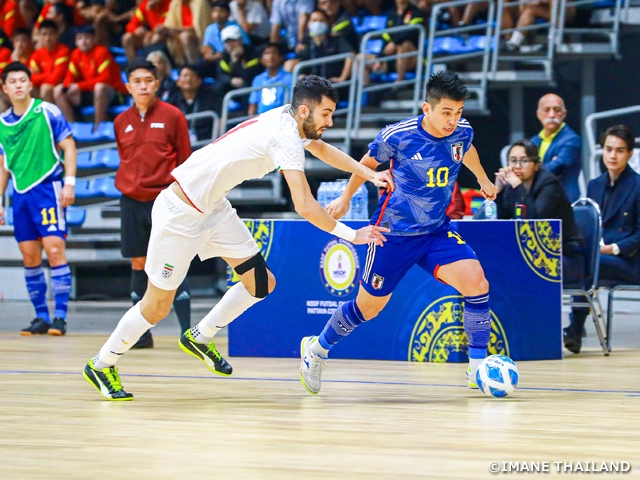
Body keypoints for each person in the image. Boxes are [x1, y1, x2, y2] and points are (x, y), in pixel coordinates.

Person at [83, 75, 394, 401]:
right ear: (304, 111)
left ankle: (199, 336)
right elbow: (304, 205)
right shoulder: (284, 136)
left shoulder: (290, 120)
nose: (330, 121)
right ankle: (102, 363)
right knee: (157, 307)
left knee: (262, 283)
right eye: (326, 113)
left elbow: (321, 148)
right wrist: (351, 235)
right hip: (180, 214)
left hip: (214, 210)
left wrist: (369, 173)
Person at [299, 71, 498, 394]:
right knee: (368, 308)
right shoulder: (398, 136)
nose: (453, 120)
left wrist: (483, 179)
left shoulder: (461, 131)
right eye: (446, 112)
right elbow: (367, 163)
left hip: (435, 231)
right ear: (426, 108)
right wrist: (346, 198)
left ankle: (477, 369)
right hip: (392, 235)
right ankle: (317, 349)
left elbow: (467, 149)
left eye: (458, 112)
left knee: (477, 283)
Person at [114, 59, 193, 350]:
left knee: (172, 263)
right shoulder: (120, 121)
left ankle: (189, 333)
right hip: (132, 201)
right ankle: (141, 335)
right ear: (128, 86)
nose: (143, 85)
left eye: (148, 80)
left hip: (165, 200)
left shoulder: (173, 116)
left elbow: (185, 161)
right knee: (139, 262)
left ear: (157, 84)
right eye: (137, 81)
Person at [0, 61, 77, 336]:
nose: (19, 84)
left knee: (55, 250)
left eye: (23, 80)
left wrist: (69, 183)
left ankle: (60, 317)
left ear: (30, 84)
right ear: (5, 87)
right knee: (29, 256)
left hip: (48, 188)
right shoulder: (2, 124)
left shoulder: (47, 111)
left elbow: (68, 146)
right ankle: (40, 316)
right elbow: (3, 166)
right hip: (20, 195)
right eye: (13, 81)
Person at [564, 125, 640, 353]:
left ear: (630, 154)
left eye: (619, 150)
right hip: (599, 257)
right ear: (602, 151)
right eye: (608, 149)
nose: (613, 155)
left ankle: (575, 327)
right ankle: (574, 328)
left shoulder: (638, 186)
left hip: (629, 261)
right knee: (581, 261)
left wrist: (613, 248)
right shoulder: (595, 185)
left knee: (587, 265)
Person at [495, 138, 585, 282]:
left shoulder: (550, 184)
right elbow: (501, 222)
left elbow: (534, 221)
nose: (517, 166)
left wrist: (518, 186)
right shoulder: (511, 187)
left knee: (514, 269)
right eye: (512, 161)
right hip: (530, 255)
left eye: (524, 161)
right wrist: (498, 192)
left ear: (536, 165)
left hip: (563, 257)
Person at [53, 26, 127, 130]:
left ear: (94, 39)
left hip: (113, 93)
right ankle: (71, 128)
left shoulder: (102, 52)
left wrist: (79, 86)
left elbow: (105, 79)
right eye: (79, 39)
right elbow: (69, 78)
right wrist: (68, 88)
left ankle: (99, 126)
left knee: (99, 87)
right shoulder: (76, 54)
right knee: (58, 90)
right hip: (89, 92)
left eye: (87, 38)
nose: (83, 42)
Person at [530, 94, 582, 203]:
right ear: (538, 114)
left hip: (563, 201)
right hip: (537, 199)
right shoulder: (533, 141)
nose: (552, 114)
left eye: (557, 110)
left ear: (564, 113)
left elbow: (556, 168)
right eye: (546, 110)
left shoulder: (572, 140)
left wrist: (532, 169)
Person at [168, 64, 219, 141]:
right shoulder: (171, 102)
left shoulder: (211, 97)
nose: (188, 79)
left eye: (192, 75)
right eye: (185, 76)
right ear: (178, 81)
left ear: (199, 80)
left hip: (207, 142)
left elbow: (220, 120)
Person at [213, 25, 263, 97]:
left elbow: (249, 76)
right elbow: (220, 76)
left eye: (233, 41)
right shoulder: (224, 57)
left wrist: (237, 62)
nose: (230, 45)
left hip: (250, 87)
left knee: (244, 86)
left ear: (241, 40)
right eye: (227, 42)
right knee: (218, 88)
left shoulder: (253, 53)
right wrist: (231, 80)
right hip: (232, 87)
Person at [28, 20, 71, 104]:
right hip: (46, 86)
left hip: (62, 88)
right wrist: (47, 75)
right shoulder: (37, 53)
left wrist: (38, 77)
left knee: (45, 88)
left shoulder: (64, 51)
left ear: (57, 34)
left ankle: (48, 116)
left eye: (51, 34)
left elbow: (55, 79)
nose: (47, 38)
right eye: (44, 34)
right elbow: (28, 76)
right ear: (39, 36)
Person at [248, 42, 291, 116]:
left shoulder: (290, 77)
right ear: (261, 60)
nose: (270, 56)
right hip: (261, 120)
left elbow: (291, 102)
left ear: (281, 57)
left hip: (281, 118)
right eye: (267, 53)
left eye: (274, 53)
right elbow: (253, 105)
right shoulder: (258, 79)